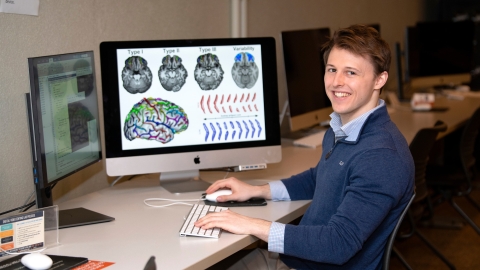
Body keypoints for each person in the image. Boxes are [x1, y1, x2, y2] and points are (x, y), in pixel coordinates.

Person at [195, 24, 415, 269]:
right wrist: (256, 191)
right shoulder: (344, 127)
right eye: (332, 70)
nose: (336, 82)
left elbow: (338, 244)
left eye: (351, 73)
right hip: (302, 260)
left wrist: (252, 225)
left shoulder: (381, 156)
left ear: (379, 79)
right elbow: (321, 177)